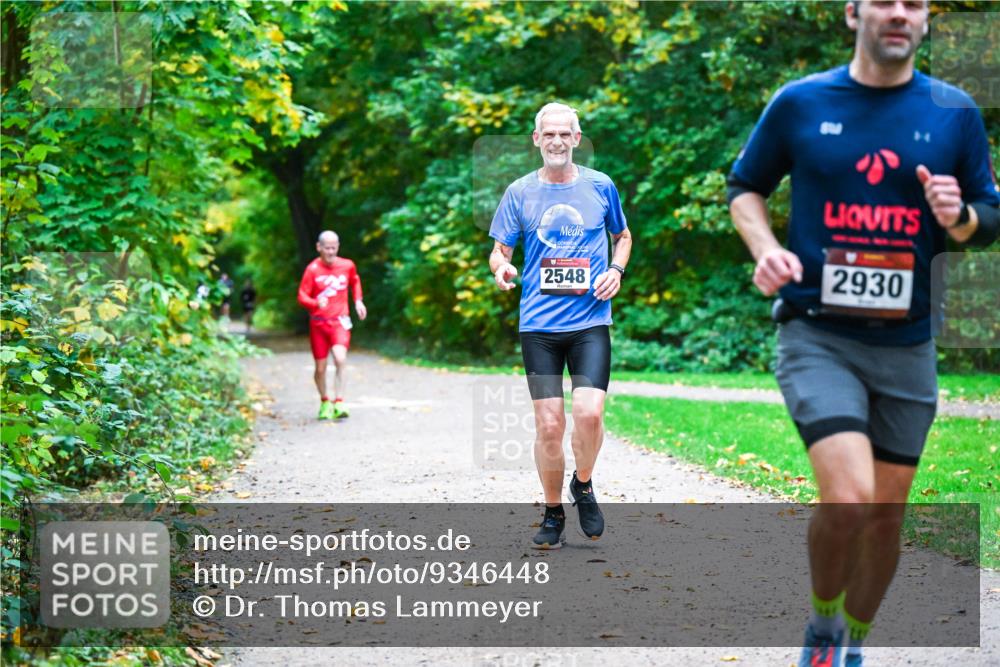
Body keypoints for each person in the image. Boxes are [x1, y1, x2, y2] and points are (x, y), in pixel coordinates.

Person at [727, 2, 999, 665]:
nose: (899, 13)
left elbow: (988, 215)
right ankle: (822, 623)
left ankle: (853, 637)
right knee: (848, 498)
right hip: (817, 335)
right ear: (855, 13)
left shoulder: (954, 112)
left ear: (927, 19)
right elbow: (745, 186)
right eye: (885, 1)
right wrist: (765, 247)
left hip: (907, 345)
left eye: (913, 3)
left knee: (885, 516)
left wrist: (958, 215)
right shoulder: (800, 102)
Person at [489, 102, 632, 549]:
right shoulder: (519, 192)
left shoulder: (600, 186)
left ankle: (583, 484)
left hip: (590, 321)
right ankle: (552, 512)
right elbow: (500, 251)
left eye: (563, 134)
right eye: (547, 134)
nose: (556, 141)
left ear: (576, 138)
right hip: (539, 328)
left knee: (589, 413)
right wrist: (501, 269)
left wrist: (616, 270)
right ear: (536, 140)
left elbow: (622, 237)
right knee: (550, 426)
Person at [297, 231, 367, 420]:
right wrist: (314, 303)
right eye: (327, 248)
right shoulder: (312, 270)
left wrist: (358, 301)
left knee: (340, 358)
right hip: (319, 324)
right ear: (319, 247)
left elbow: (355, 281)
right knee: (320, 368)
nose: (330, 252)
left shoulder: (347, 265)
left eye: (334, 247)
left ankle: (340, 402)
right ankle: (325, 401)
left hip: (340, 322)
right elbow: (301, 296)